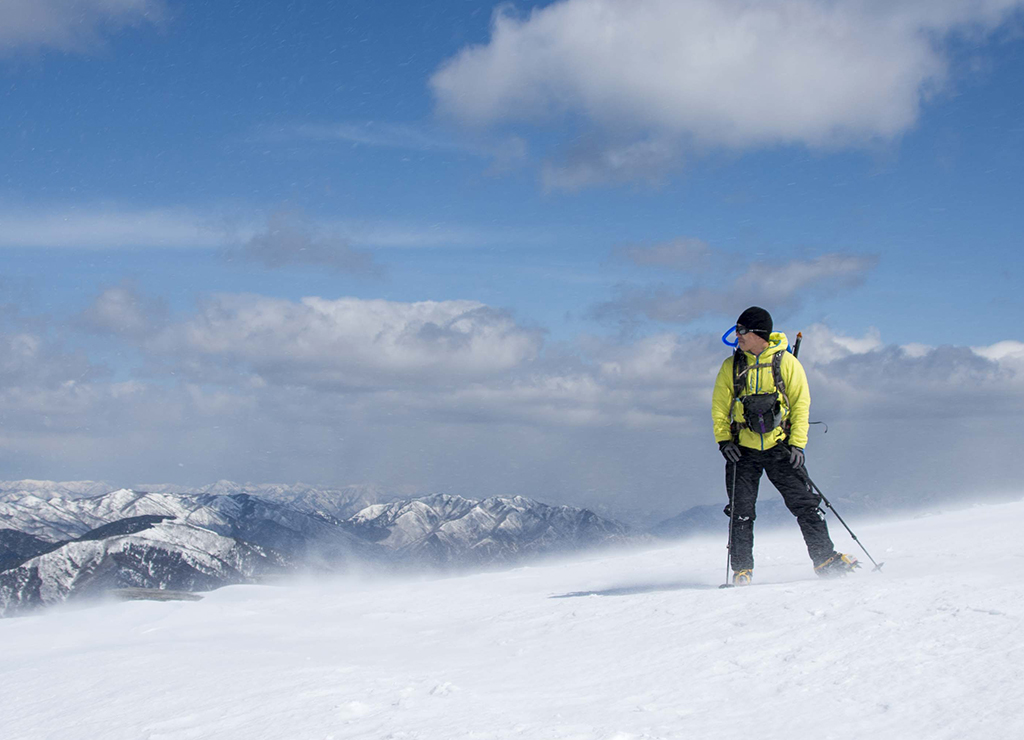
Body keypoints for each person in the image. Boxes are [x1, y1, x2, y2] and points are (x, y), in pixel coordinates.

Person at [711, 306, 859, 585]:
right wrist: (723, 440)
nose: (738, 336)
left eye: (742, 330)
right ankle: (742, 570)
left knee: (805, 504)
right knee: (741, 512)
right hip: (742, 449)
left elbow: (801, 404)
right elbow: (720, 406)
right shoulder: (731, 366)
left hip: (781, 447)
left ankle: (825, 560)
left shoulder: (786, 363)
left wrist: (798, 445)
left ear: (759, 333)